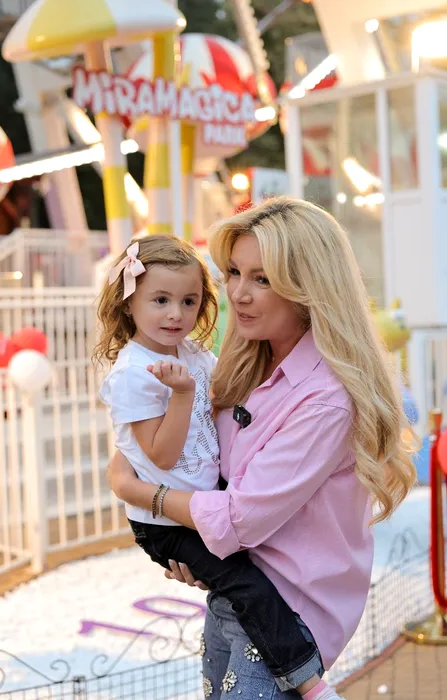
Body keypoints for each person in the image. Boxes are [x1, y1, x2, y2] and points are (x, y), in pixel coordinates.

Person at [106, 199, 417, 700]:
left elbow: (239, 518)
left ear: (309, 287)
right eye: (233, 272)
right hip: (232, 591)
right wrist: (186, 547)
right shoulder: (242, 366)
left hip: (288, 611)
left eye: (263, 279)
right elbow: (187, 455)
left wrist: (141, 493)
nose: (239, 293)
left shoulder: (324, 399)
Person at [95, 233, 334, 699]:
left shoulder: (189, 353)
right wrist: (182, 395)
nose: (175, 314)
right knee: (245, 585)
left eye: (188, 301)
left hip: (200, 499)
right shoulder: (132, 374)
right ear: (128, 302)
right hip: (168, 523)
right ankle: (306, 679)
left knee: (237, 587)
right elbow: (161, 455)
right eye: (160, 300)